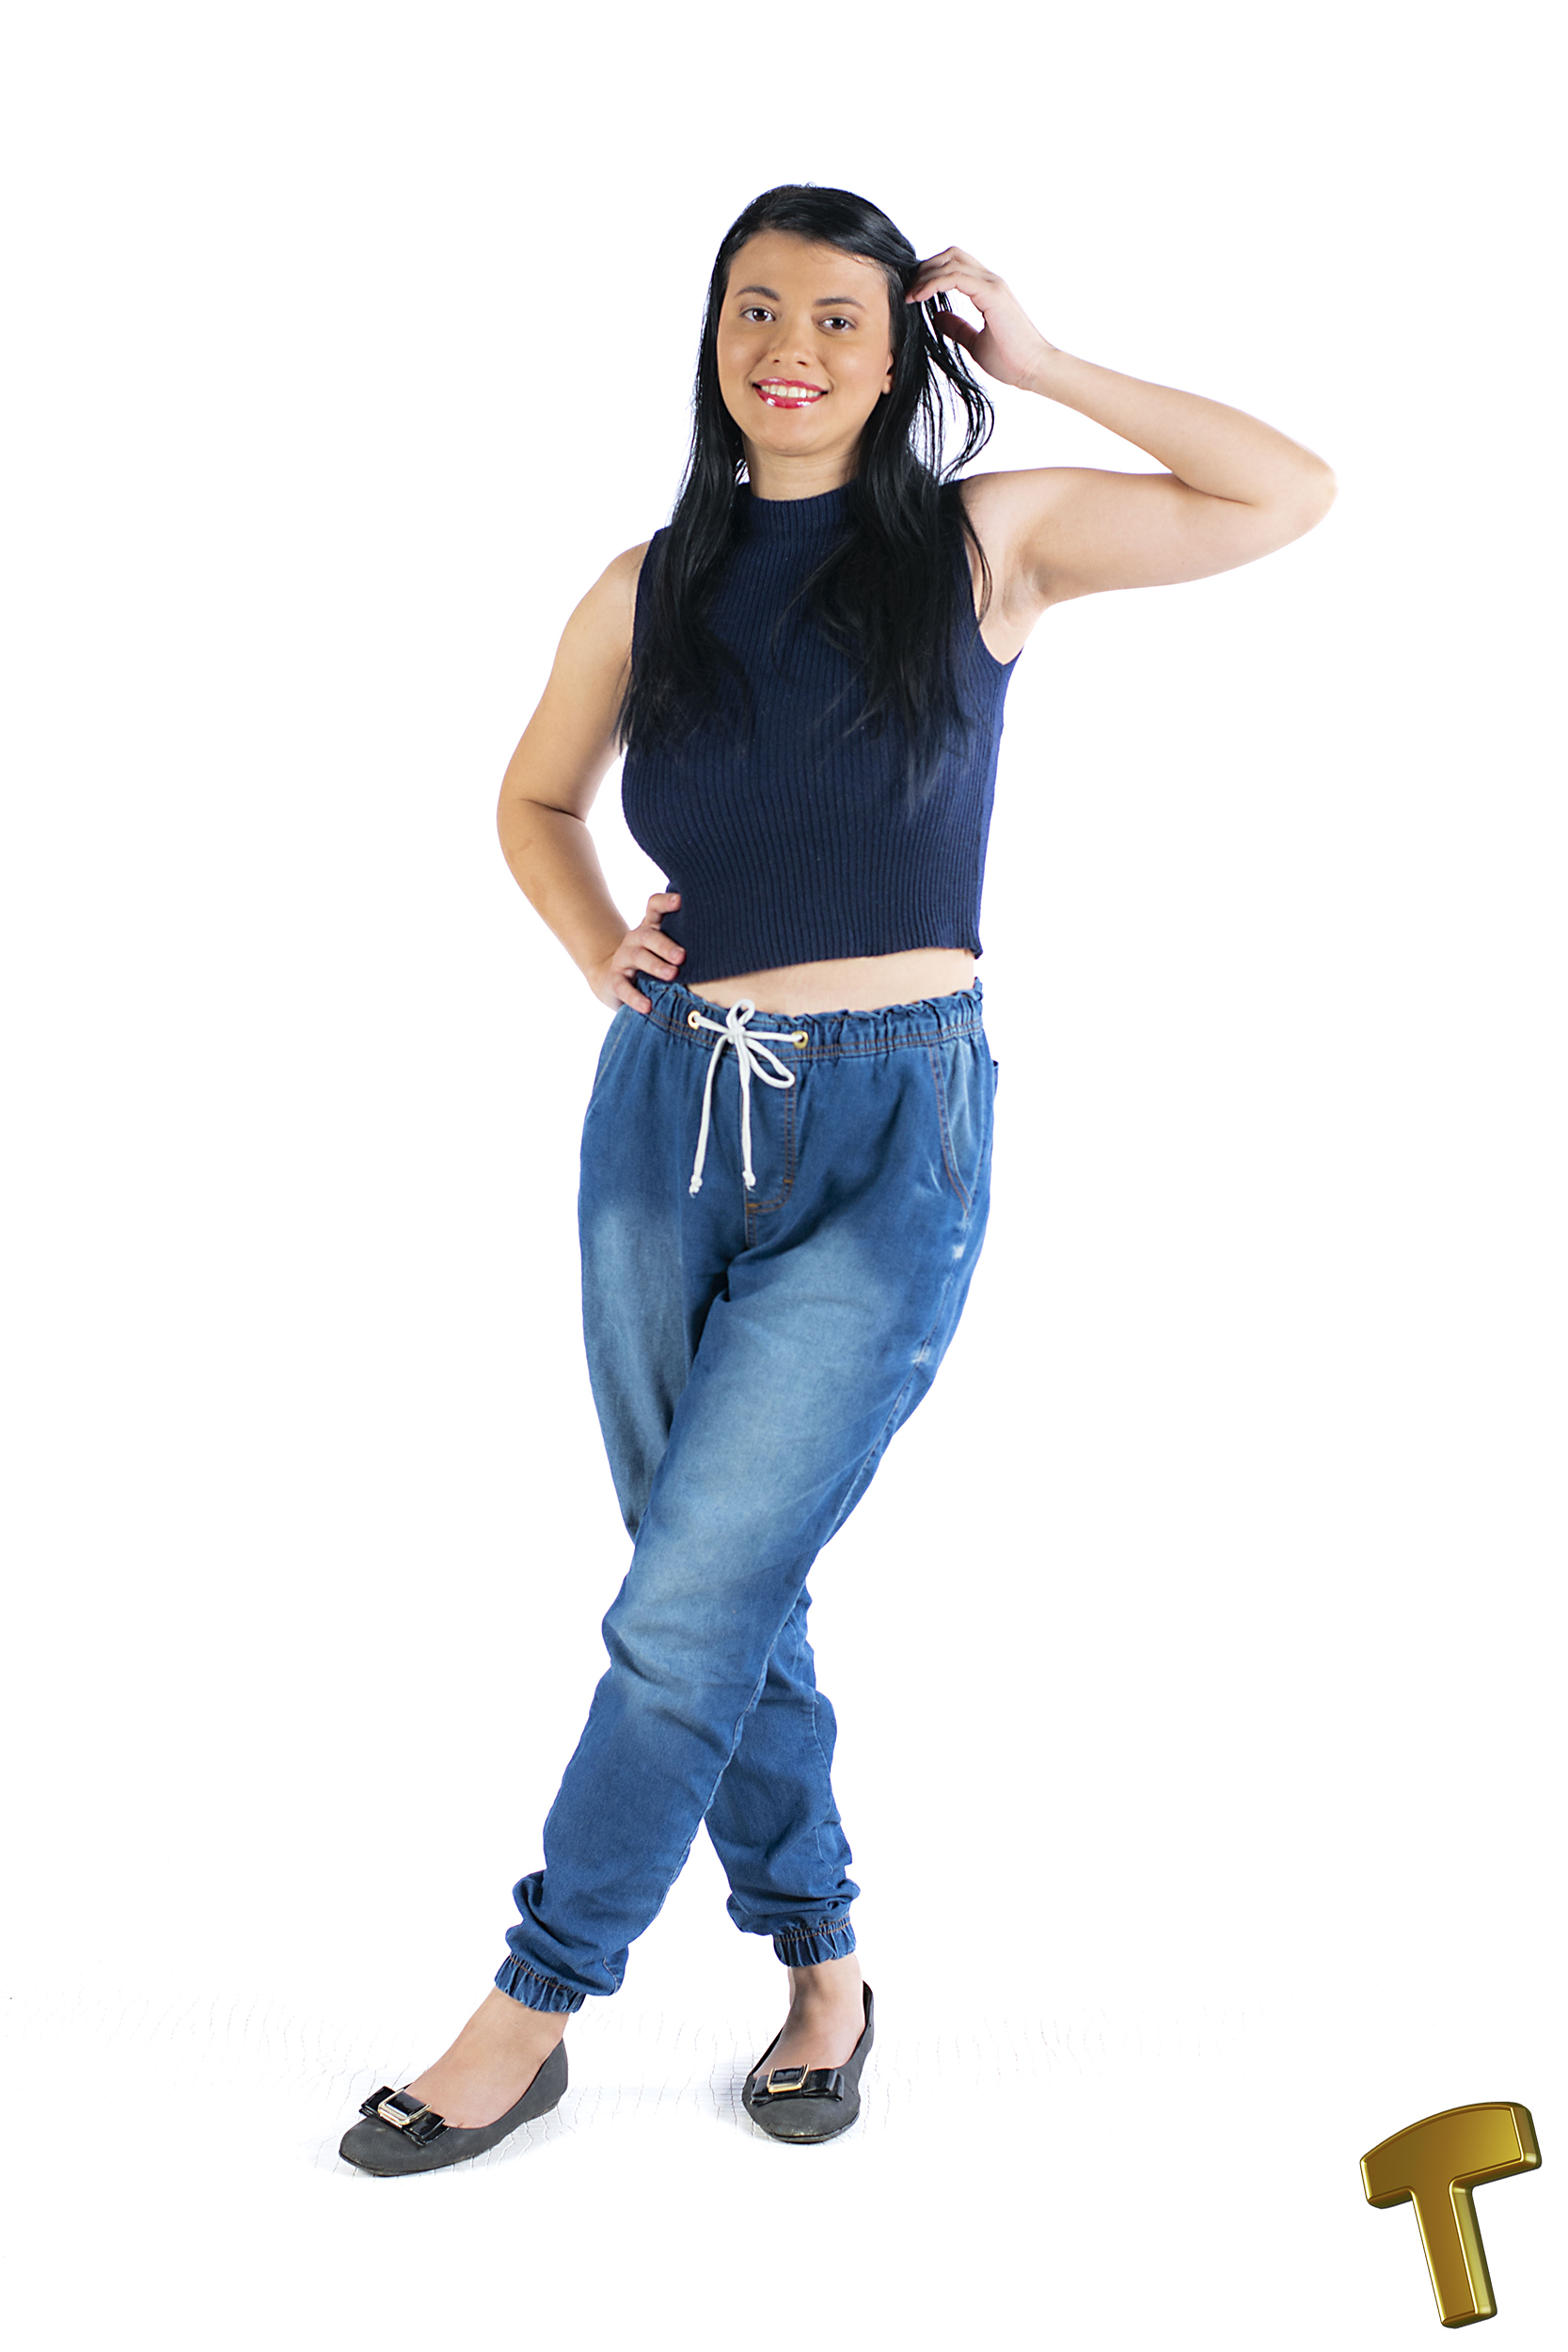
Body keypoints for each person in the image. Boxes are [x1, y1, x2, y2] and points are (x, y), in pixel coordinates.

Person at [339, 183, 1336, 2174]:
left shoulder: (988, 543)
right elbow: (531, 798)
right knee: (717, 1583)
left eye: (838, 319)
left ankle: (537, 1998)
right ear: (712, 339)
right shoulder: (645, 586)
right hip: (667, 1121)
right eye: (755, 309)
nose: (789, 347)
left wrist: (1045, 363)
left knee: (687, 1595)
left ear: (899, 357)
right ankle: (824, 1966)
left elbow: (1284, 490)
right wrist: (593, 940)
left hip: (896, 1134)